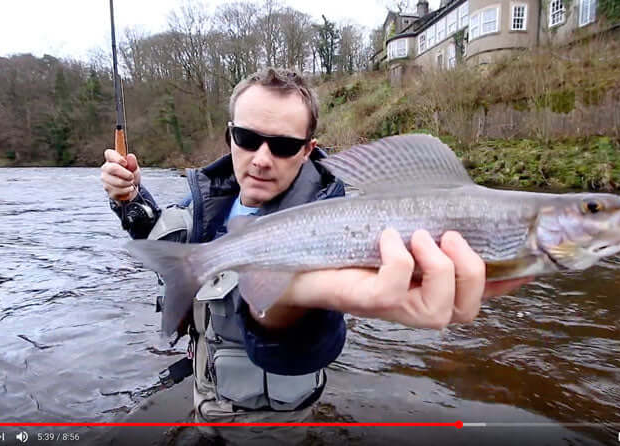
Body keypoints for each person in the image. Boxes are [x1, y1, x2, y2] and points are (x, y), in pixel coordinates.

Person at [101, 67, 530, 443]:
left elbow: (311, 347)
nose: (262, 160)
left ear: (309, 149)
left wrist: (297, 298)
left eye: (284, 146)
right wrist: (131, 200)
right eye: (248, 139)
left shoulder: (343, 222)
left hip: (281, 422)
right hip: (206, 404)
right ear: (229, 136)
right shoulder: (202, 203)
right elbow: (166, 243)